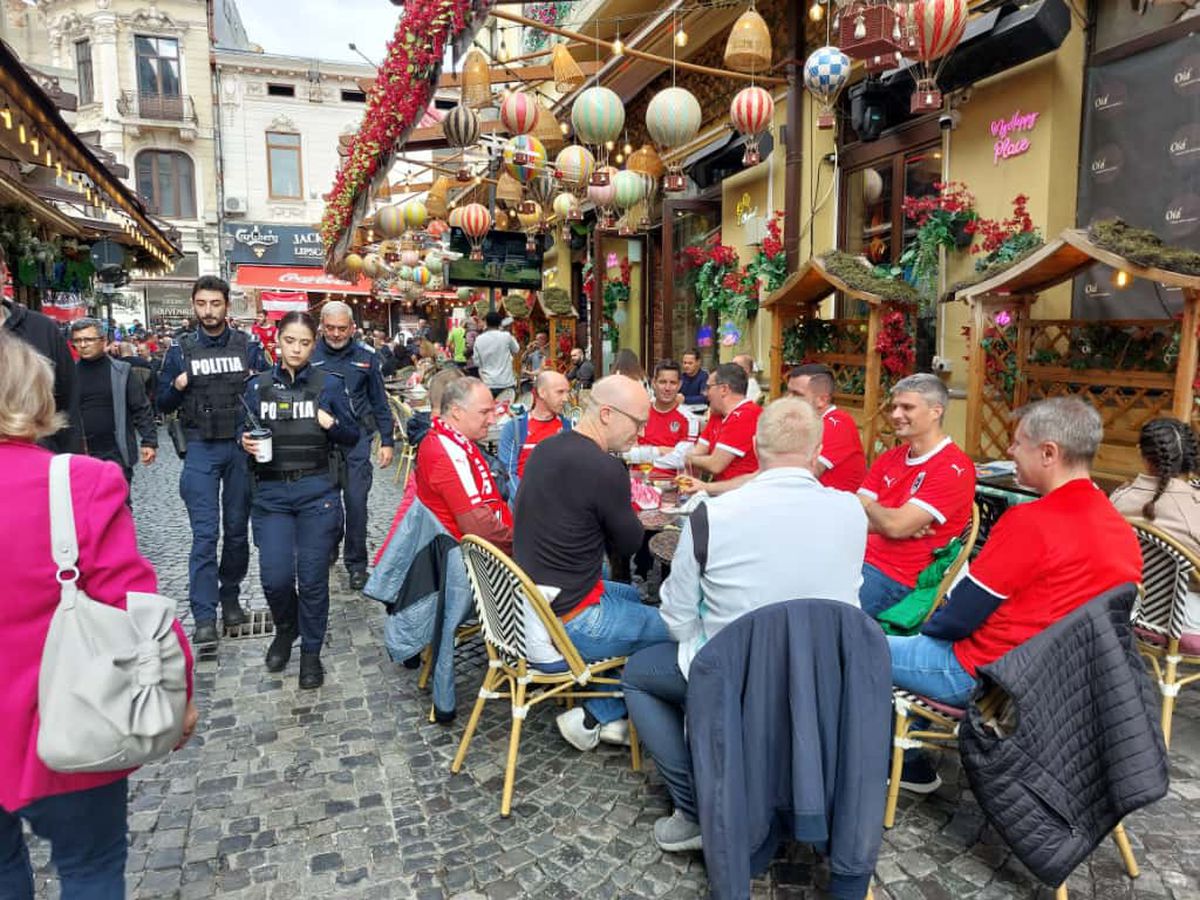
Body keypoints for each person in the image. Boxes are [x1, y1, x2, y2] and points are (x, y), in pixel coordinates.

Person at [0, 330, 197, 898]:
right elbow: (134, 605)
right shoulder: (77, 483)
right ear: (37, 395)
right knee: (90, 870)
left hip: (55, 720)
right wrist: (178, 691)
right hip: (68, 716)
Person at [622, 397, 868, 852]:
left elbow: (676, 617)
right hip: (821, 676)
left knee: (638, 675)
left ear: (755, 447)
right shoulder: (852, 511)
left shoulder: (711, 516)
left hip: (735, 673)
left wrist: (702, 640)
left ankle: (695, 808)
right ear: (817, 452)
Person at [888, 397, 1142, 790]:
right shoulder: (1121, 529)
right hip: (1065, 687)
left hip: (988, 678)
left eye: (1018, 443)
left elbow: (958, 618)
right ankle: (911, 742)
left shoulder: (1031, 521)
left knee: (855, 640)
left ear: (1048, 453)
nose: (1009, 451)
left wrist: (926, 633)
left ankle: (900, 761)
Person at [513, 375, 669, 751]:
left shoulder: (546, 448)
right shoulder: (605, 468)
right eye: (638, 423)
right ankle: (598, 714)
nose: (641, 433)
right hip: (572, 619)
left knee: (635, 597)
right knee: (678, 629)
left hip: (534, 602)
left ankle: (610, 702)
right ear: (606, 414)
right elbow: (629, 543)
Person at [241, 312, 360, 689]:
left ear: (314, 344)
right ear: (277, 340)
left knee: (312, 581)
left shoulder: (330, 385)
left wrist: (332, 424)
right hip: (272, 495)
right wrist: (244, 442)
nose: (296, 349)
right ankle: (285, 627)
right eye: (289, 341)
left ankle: (310, 652)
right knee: (275, 578)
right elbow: (243, 431)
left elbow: (353, 435)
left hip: (317, 494)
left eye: (304, 342)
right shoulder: (257, 387)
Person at [157, 275, 267, 646]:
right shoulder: (180, 349)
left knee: (236, 531)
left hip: (238, 447)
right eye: (202, 304)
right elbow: (161, 402)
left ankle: (230, 597)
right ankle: (204, 614)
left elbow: (267, 392)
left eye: (215, 304)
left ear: (227, 306)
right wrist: (177, 385)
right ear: (194, 305)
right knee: (205, 535)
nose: (208, 311)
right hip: (200, 446)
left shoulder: (248, 346)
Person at [857, 373, 975, 619]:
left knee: (821, 617)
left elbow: (896, 526)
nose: (895, 415)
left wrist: (873, 509)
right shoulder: (890, 457)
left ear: (936, 411)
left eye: (907, 407)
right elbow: (854, 514)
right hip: (857, 556)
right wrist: (888, 522)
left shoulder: (954, 466)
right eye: (894, 407)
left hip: (899, 577)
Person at [311, 301, 395, 591]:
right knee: (327, 504)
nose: (336, 334)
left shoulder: (366, 357)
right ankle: (330, 543)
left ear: (352, 328)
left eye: (341, 328)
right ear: (321, 326)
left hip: (357, 439)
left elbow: (379, 401)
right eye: (330, 328)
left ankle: (357, 565)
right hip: (321, 441)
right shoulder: (309, 354)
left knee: (356, 503)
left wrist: (387, 440)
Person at [1111, 417, 1200, 634]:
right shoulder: (1193, 508)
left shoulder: (1118, 499)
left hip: (1126, 608)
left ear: (1142, 454)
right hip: (1181, 621)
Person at [415, 377, 514, 553]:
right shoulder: (447, 451)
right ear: (457, 412)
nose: (492, 420)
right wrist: (520, 544)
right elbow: (477, 525)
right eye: (484, 412)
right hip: (472, 557)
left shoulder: (451, 440)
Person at [0, 246, 80, 452]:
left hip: (38, 458)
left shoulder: (42, 329)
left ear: (3, 272)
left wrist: (69, 461)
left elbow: (68, 405)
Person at [69, 318, 157, 491]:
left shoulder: (122, 371)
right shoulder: (69, 374)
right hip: (81, 453)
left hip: (116, 450)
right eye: (78, 341)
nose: (83, 345)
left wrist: (149, 441)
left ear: (103, 341)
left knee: (119, 501)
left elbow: (140, 407)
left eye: (88, 339)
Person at [787, 364, 867, 492]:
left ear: (822, 400)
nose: (788, 399)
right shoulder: (807, 422)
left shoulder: (838, 424)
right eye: (788, 392)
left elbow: (805, 474)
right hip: (814, 498)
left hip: (838, 502)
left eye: (797, 394)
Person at [497, 370, 572, 497]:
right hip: (526, 501)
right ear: (542, 393)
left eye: (567, 392)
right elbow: (508, 474)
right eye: (560, 392)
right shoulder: (515, 428)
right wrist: (525, 501)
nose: (566, 399)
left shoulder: (568, 427)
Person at [686, 363, 762, 483]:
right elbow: (698, 452)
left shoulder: (746, 415)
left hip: (743, 490)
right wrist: (690, 459)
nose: (705, 393)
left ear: (724, 390)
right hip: (720, 488)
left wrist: (686, 458)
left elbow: (715, 465)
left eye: (708, 387)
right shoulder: (718, 414)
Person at [636, 359, 699, 480]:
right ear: (654, 383)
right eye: (662, 382)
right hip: (635, 480)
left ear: (679, 385)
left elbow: (681, 459)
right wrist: (660, 450)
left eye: (673, 383)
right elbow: (625, 451)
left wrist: (641, 455)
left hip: (669, 483)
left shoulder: (689, 419)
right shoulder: (638, 412)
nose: (667, 388)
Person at [472, 312, 519, 397]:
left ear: (486, 323)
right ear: (500, 323)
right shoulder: (506, 336)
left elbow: (476, 362)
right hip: (506, 382)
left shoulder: (479, 339)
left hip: (488, 383)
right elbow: (516, 349)